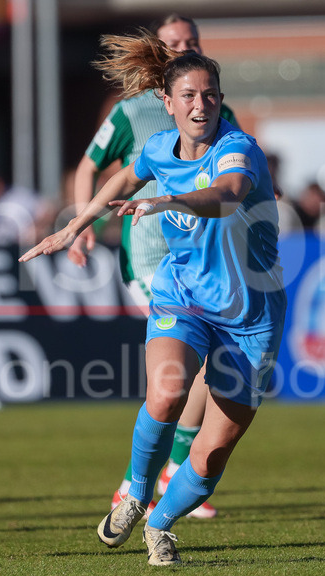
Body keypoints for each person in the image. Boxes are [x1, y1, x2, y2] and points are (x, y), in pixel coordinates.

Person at [21, 32, 285, 566]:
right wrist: (77, 224)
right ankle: (136, 493)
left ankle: (160, 524)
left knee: (211, 456)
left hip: (249, 316)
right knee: (166, 393)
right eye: (188, 96)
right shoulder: (159, 147)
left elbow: (228, 196)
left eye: (210, 95)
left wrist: (167, 199)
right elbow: (123, 174)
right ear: (167, 103)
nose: (200, 105)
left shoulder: (239, 150)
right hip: (184, 295)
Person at [68, 13, 238, 520]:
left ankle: (167, 471)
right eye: (176, 41)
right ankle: (151, 476)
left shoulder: (214, 111)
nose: (186, 45)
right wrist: (83, 227)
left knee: (214, 370)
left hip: (204, 259)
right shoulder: (133, 112)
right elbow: (90, 166)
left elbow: (236, 177)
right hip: (148, 256)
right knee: (185, 371)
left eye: (193, 40)